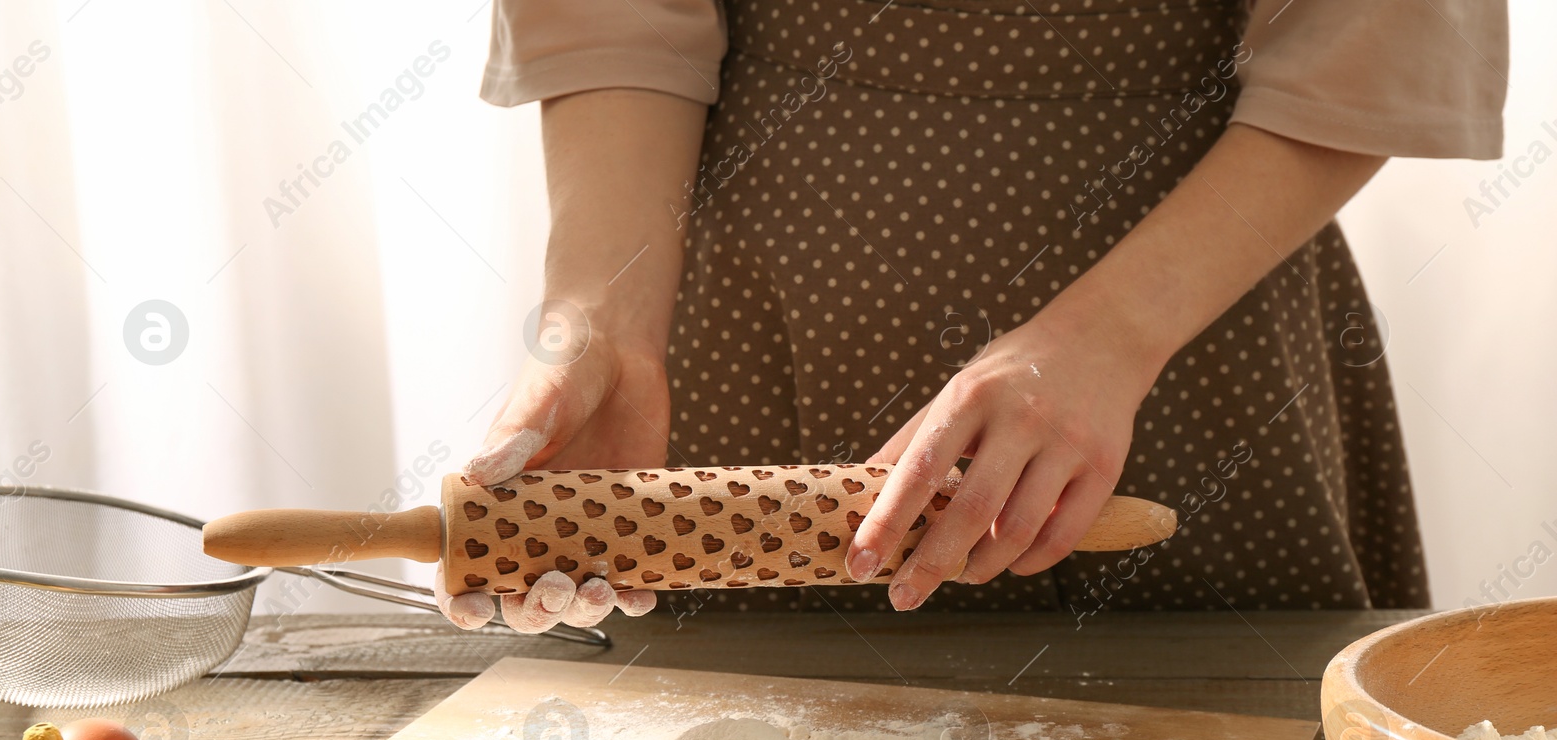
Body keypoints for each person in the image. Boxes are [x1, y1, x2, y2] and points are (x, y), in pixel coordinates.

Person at [436, 0, 1507, 634]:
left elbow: (1377, 29)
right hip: (743, 327)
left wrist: (1113, 335)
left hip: (1187, 333)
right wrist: (602, 319)